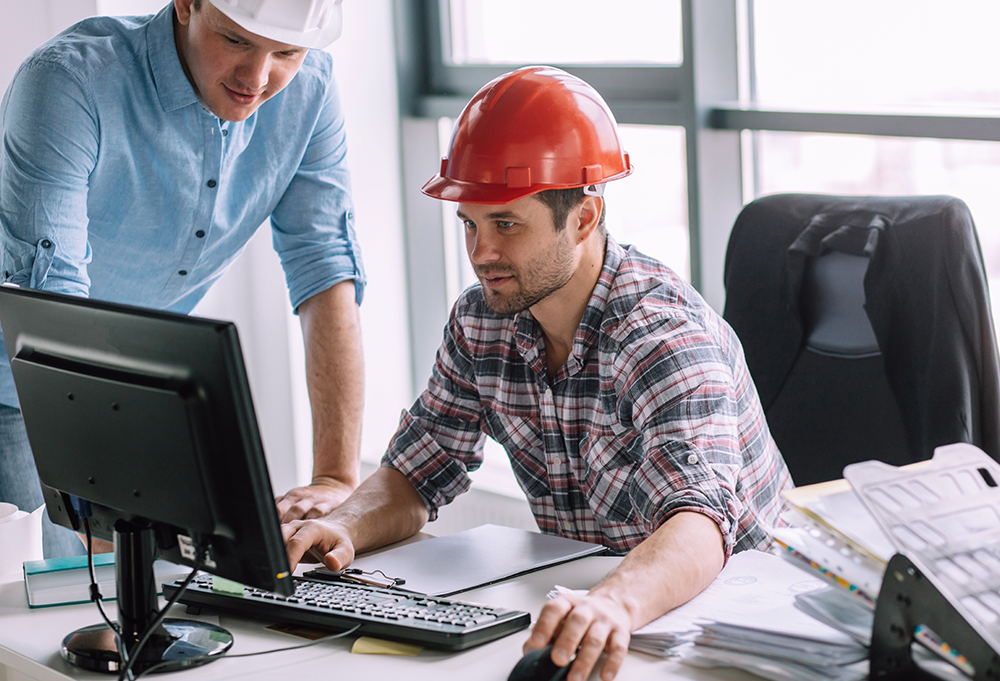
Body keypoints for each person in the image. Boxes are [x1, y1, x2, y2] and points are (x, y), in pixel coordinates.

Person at [282, 65, 793, 681]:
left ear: (582, 217)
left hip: (737, 633)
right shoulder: (483, 321)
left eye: (506, 224)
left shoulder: (662, 335)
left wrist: (611, 603)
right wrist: (340, 525)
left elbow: (701, 522)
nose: (479, 253)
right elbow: (418, 474)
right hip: (598, 607)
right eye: (469, 224)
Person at [0, 0, 365, 557]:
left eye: (286, 52)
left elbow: (326, 268)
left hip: (133, 386)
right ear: (188, 4)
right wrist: (96, 494)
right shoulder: (69, 81)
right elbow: (56, 299)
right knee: (54, 601)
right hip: (21, 381)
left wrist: (335, 479)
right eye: (238, 41)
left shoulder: (310, 91)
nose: (258, 79)